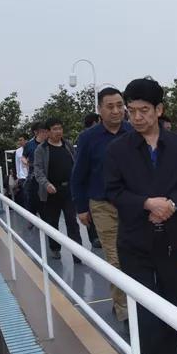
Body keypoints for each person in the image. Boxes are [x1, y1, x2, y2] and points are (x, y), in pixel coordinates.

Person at [105, 77, 177, 354]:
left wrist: (172, 205)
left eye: (143, 110)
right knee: (145, 313)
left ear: (159, 110)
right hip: (135, 243)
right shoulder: (118, 149)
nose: (136, 117)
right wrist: (147, 204)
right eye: (131, 110)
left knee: (172, 309)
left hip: (173, 240)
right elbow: (112, 190)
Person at [71, 88, 132, 324]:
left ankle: (137, 301)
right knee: (115, 258)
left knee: (135, 256)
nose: (116, 110)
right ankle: (123, 309)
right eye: (110, 106)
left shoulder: (133, 132)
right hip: (102, 205)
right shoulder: (89, 138)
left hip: (132, 204)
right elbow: (79, 174)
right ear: (99, 109)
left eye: (119, 105)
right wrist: (81, 207)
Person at [33, 118, 83, 262]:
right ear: (48, 132)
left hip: (69, 190)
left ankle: (77, 253)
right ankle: (55, 248)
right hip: (51, 192)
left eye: (60, 128)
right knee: (52, 222)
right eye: (55, 129)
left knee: (72, 221)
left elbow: (76, 162)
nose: (58, 131)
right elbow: (38, 170)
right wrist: (46, 184)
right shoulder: (41, 149)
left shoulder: (67, 145)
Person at [80, 113, 102, 249]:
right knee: (91, 210)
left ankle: (95, 237)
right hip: (91, 181)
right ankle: (94, 237)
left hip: (94, 181)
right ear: (95, 122)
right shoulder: (87, 137)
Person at [23, 122, 48, 225]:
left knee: (45, 202)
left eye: (46, 131)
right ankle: (31, 219)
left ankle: (46, 222)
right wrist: (26, 162)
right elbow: (24, 157)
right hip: (33, 176)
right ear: (36, 132)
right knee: (32, 198)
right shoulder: (29, 145)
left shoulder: (48, 143)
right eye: (42, 131)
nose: (45, 133)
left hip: (46, 176)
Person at [13, 135, 28, 208]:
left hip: (31, 174)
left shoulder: (31, 148)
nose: (20, 142)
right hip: (22, 176)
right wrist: (18, 176)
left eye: (21, 140)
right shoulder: (18, 151)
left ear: (26, 140)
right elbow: (17, 164)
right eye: (19, 140)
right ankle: (27, 210)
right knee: (25, 194)